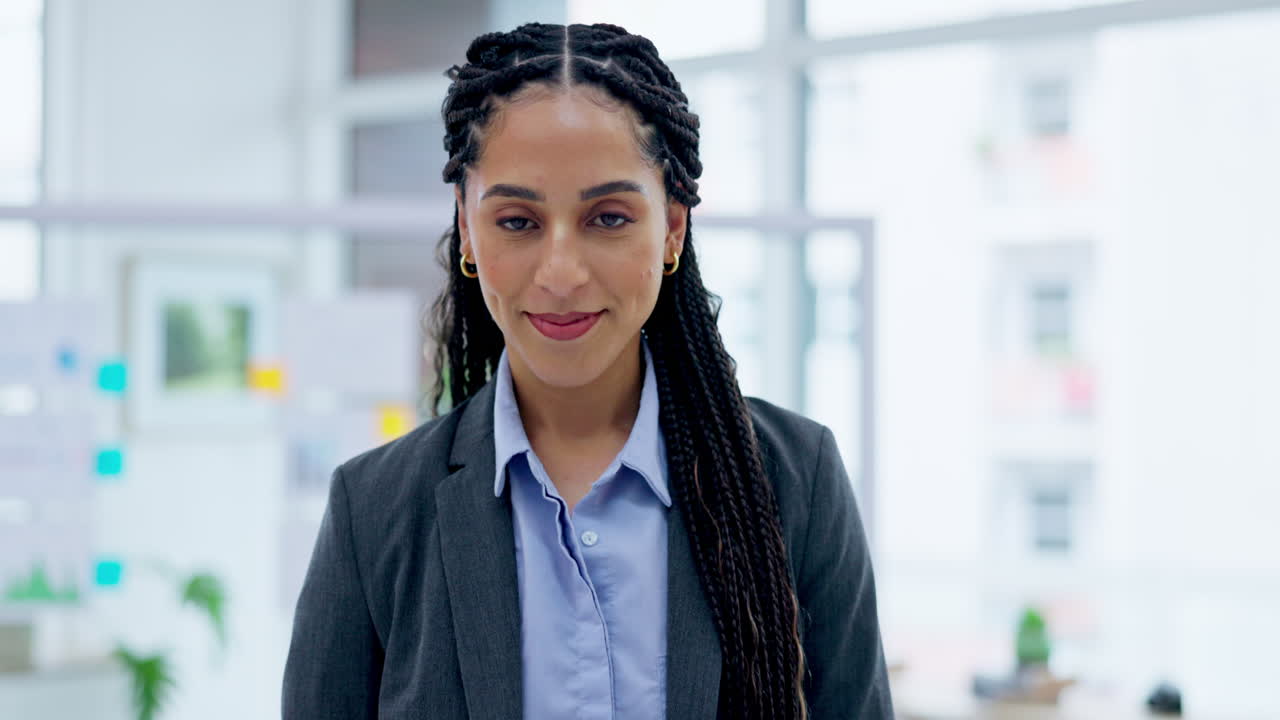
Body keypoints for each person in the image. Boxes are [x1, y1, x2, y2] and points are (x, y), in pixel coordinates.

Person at [283, 22, 893, 720]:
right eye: (517, 221)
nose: (562, 273)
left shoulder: (795, 480)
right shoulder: (375, 510)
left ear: (671, 228)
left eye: (607, 218)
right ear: (467, 229)